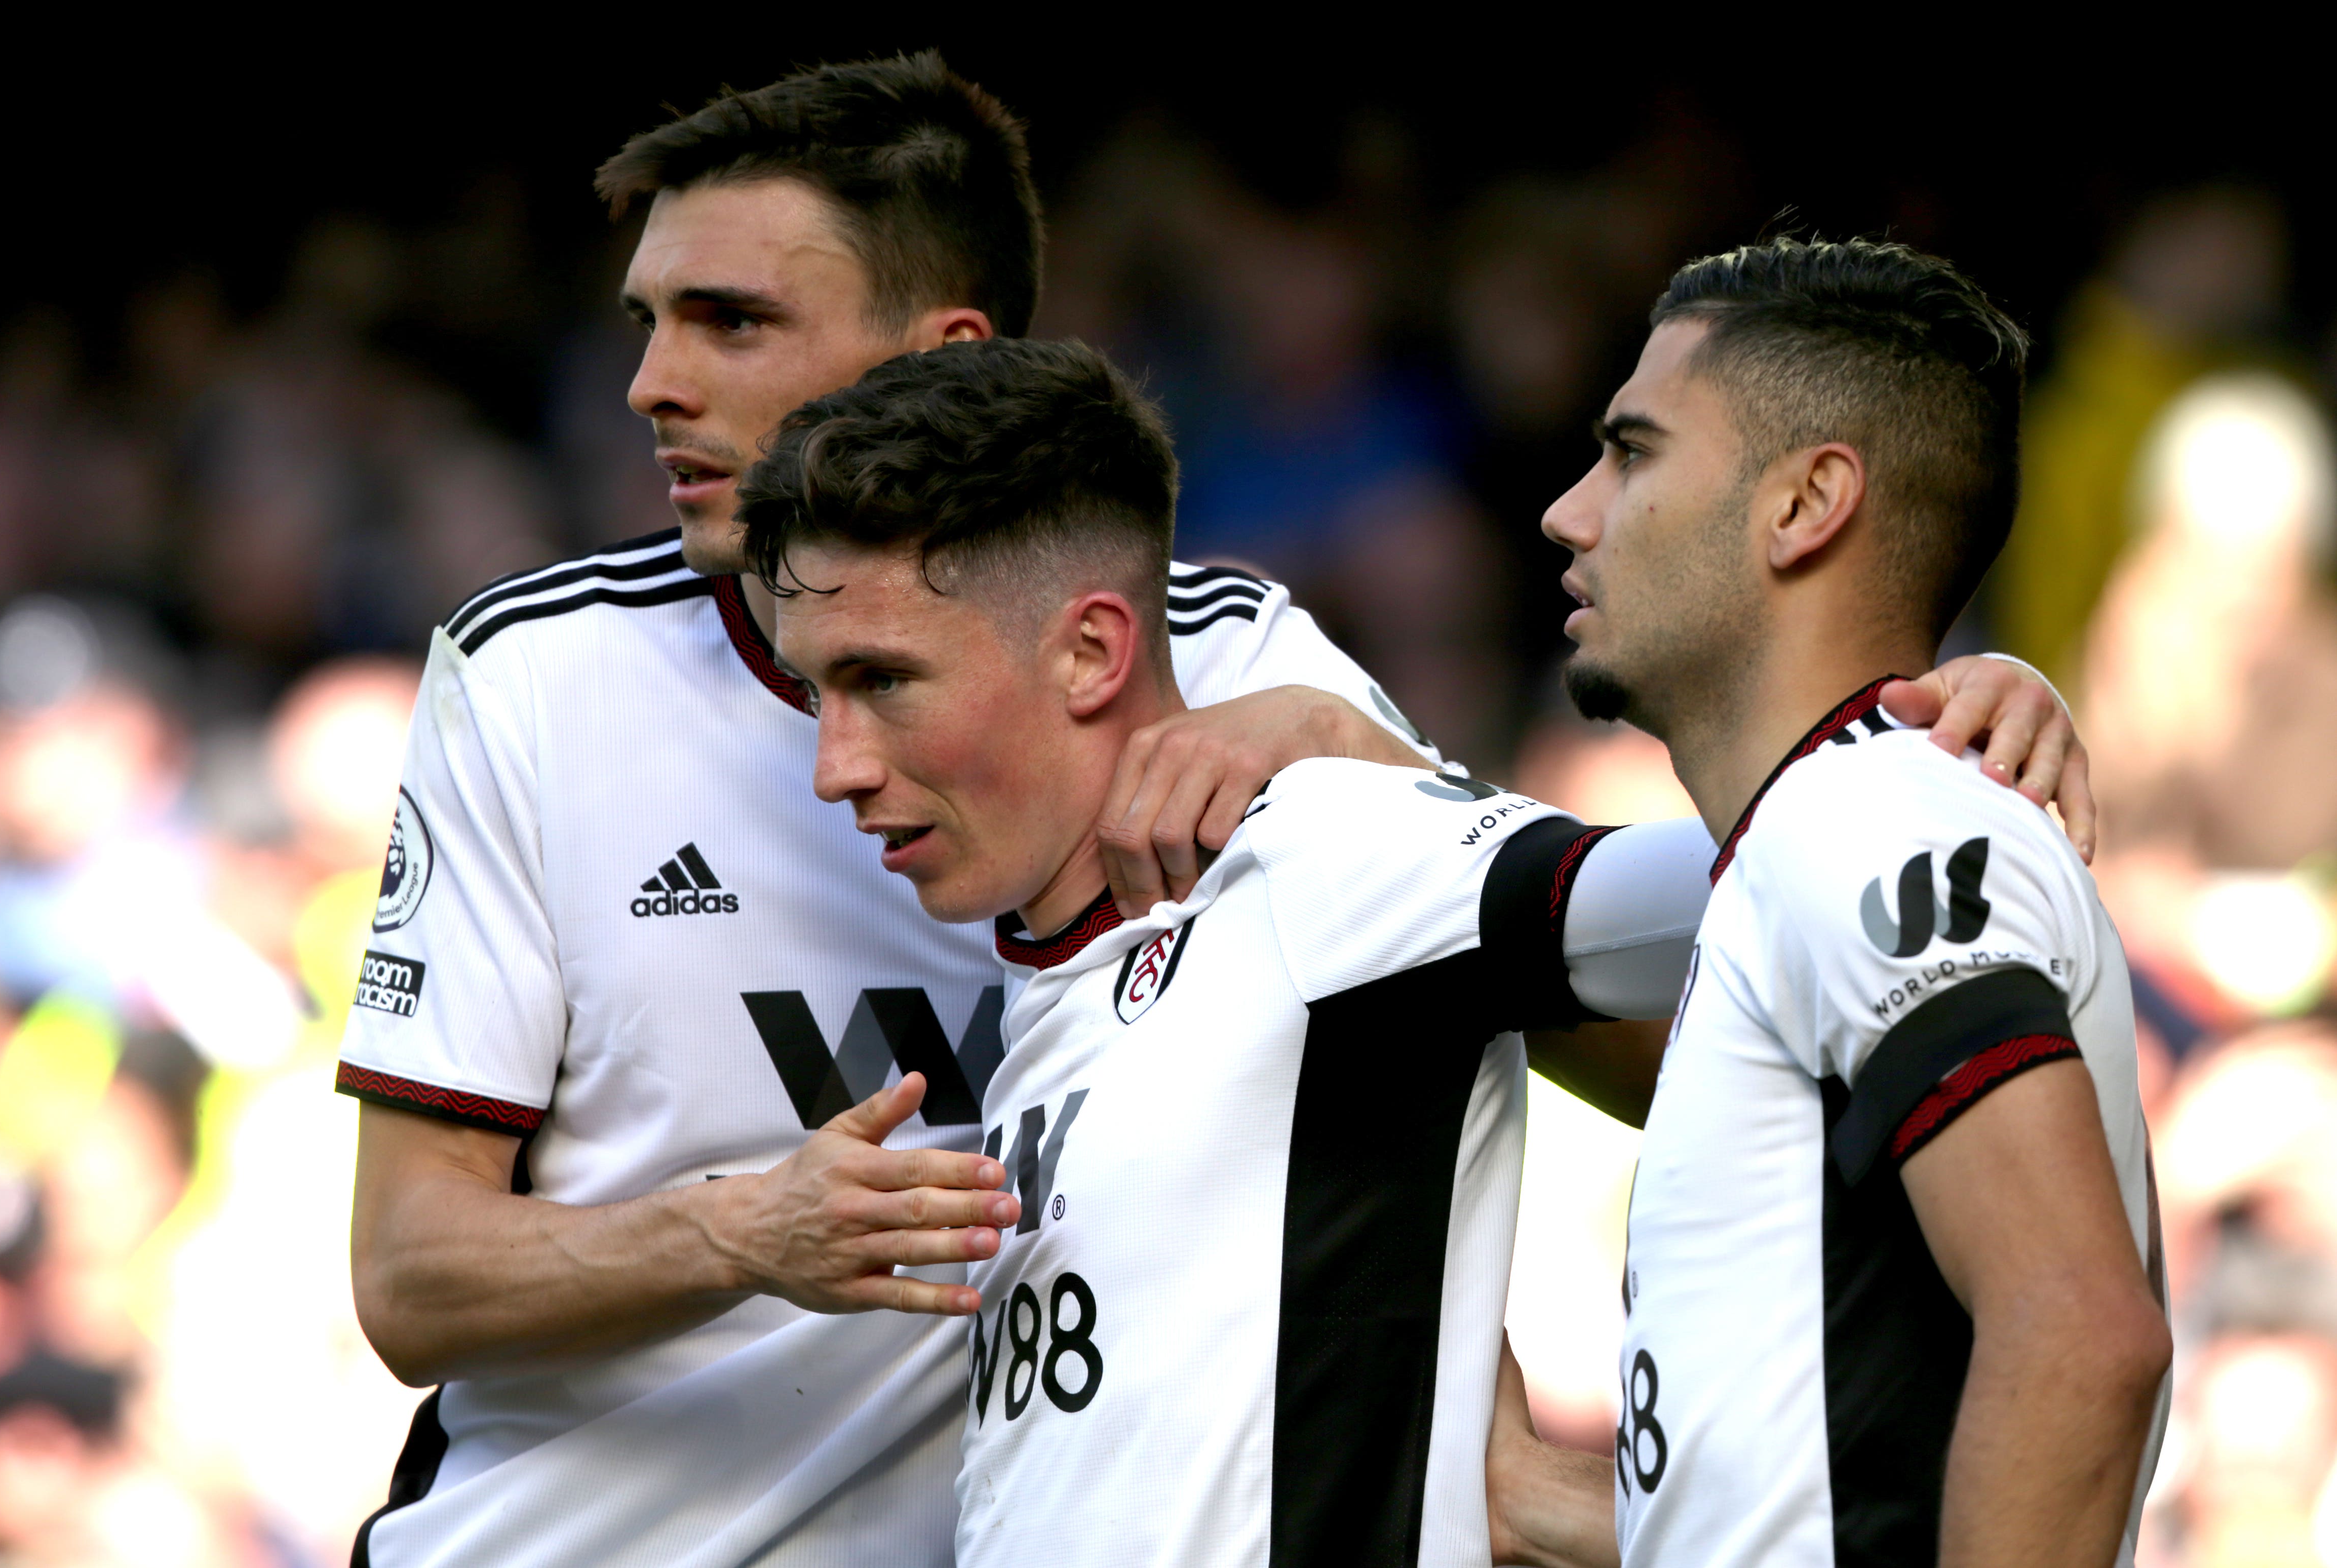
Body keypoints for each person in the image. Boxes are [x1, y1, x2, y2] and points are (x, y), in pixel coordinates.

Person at [337, 54, 2091, 1568]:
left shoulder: (1241, 662)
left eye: (730, 320)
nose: (652, 380)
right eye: (645, 319)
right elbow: (409, 1277)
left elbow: (1576, 999)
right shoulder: (533, 676)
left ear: (935, 355)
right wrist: (747, 1228)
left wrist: (1897, 759)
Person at [749, 333, 1724, 1567]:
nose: (836, 767)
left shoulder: (1319, 848)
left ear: (1093, 651)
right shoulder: (1054, 973)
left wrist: (1928, 764)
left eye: (883, 680)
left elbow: (1736, 884)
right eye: (814, 693)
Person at [1492, 238, 2170, 1568]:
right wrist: (1538, 1502)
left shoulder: (1871, 815)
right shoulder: (1819, 838)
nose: (1569, 512)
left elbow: (2081, 1334)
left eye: (1631, 452)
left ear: (1805, 504)